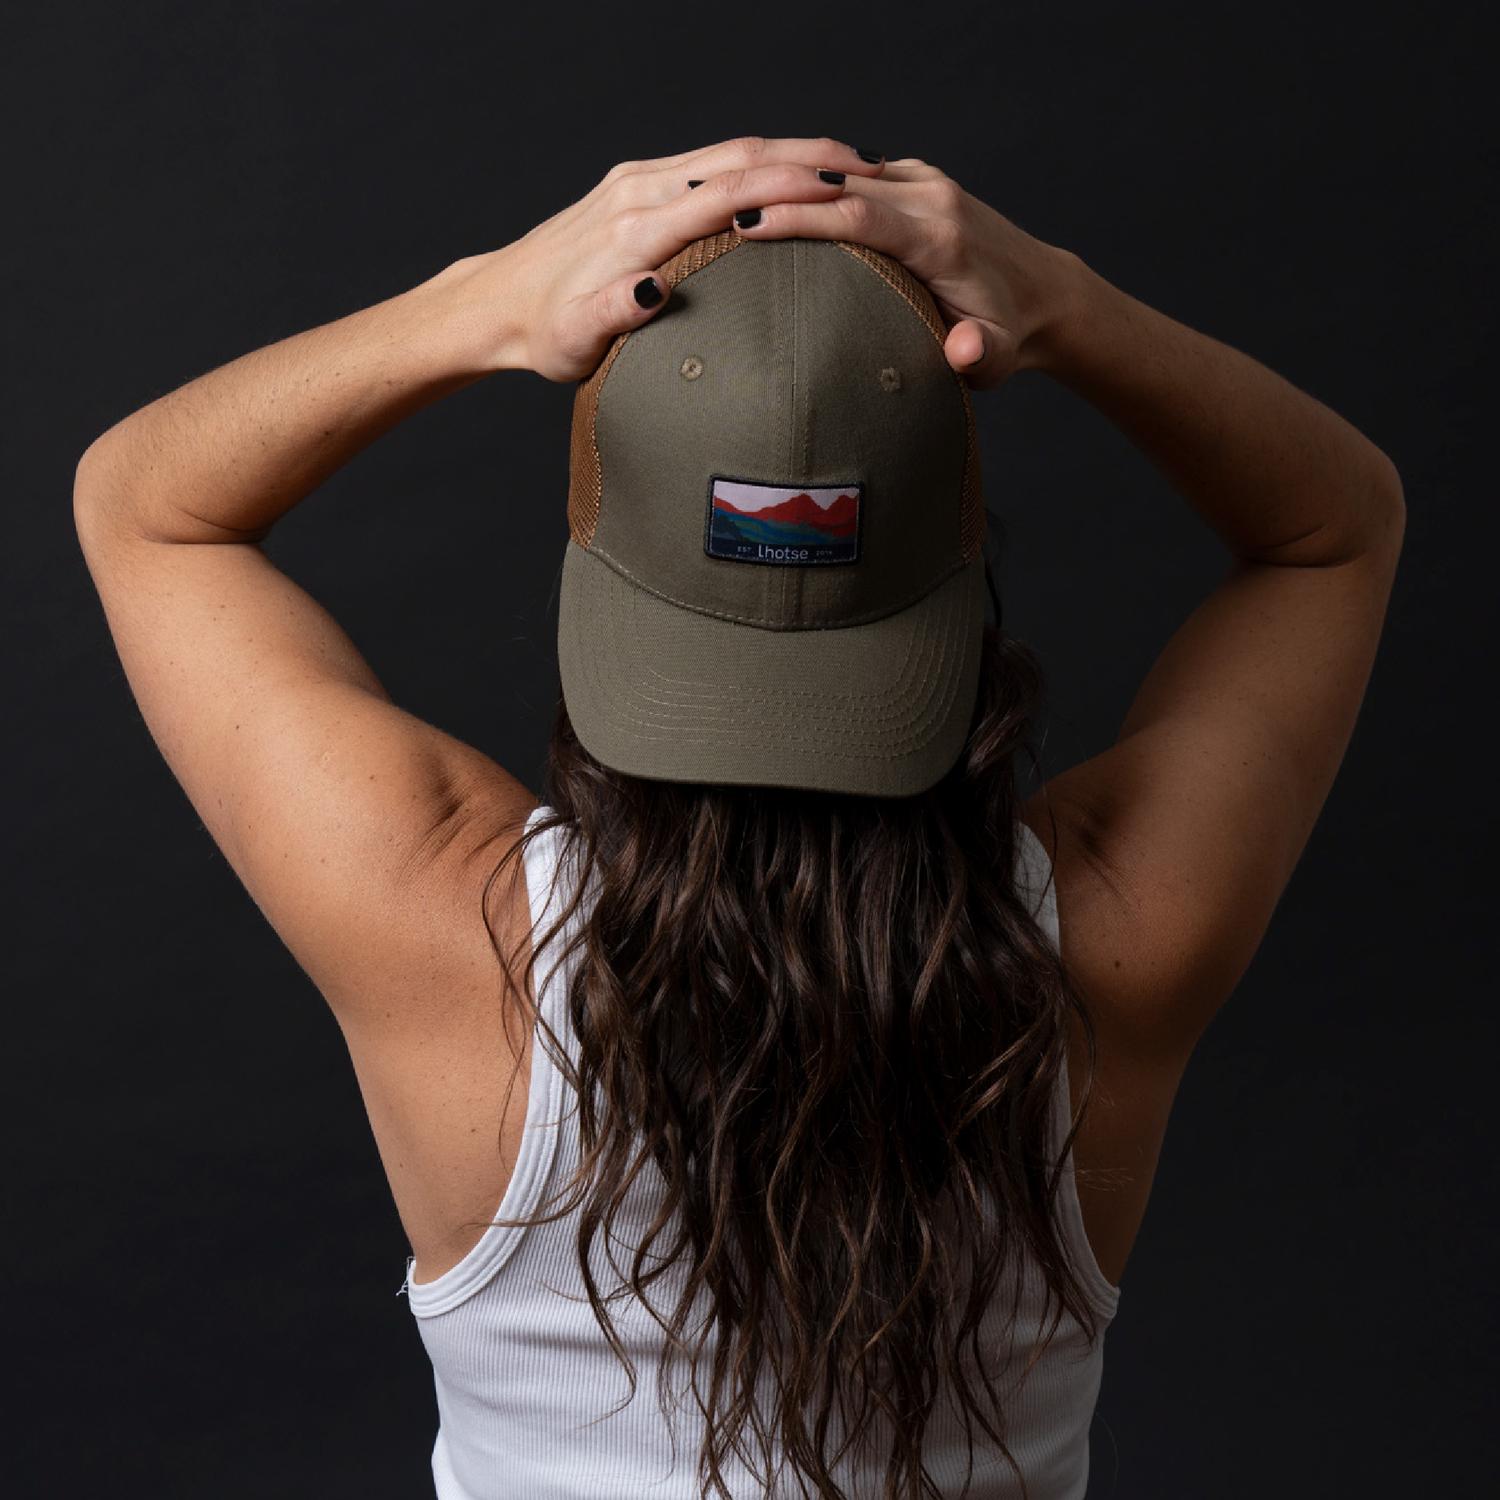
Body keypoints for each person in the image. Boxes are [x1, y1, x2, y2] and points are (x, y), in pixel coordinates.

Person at [73, 135, 1404, 1500]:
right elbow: (1336, 533)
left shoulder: (448, 927)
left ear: (601, 569)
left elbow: (145, 507)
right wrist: (1064, 302)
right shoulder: (1118, 935)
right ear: (957, 573)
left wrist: (485, 304)